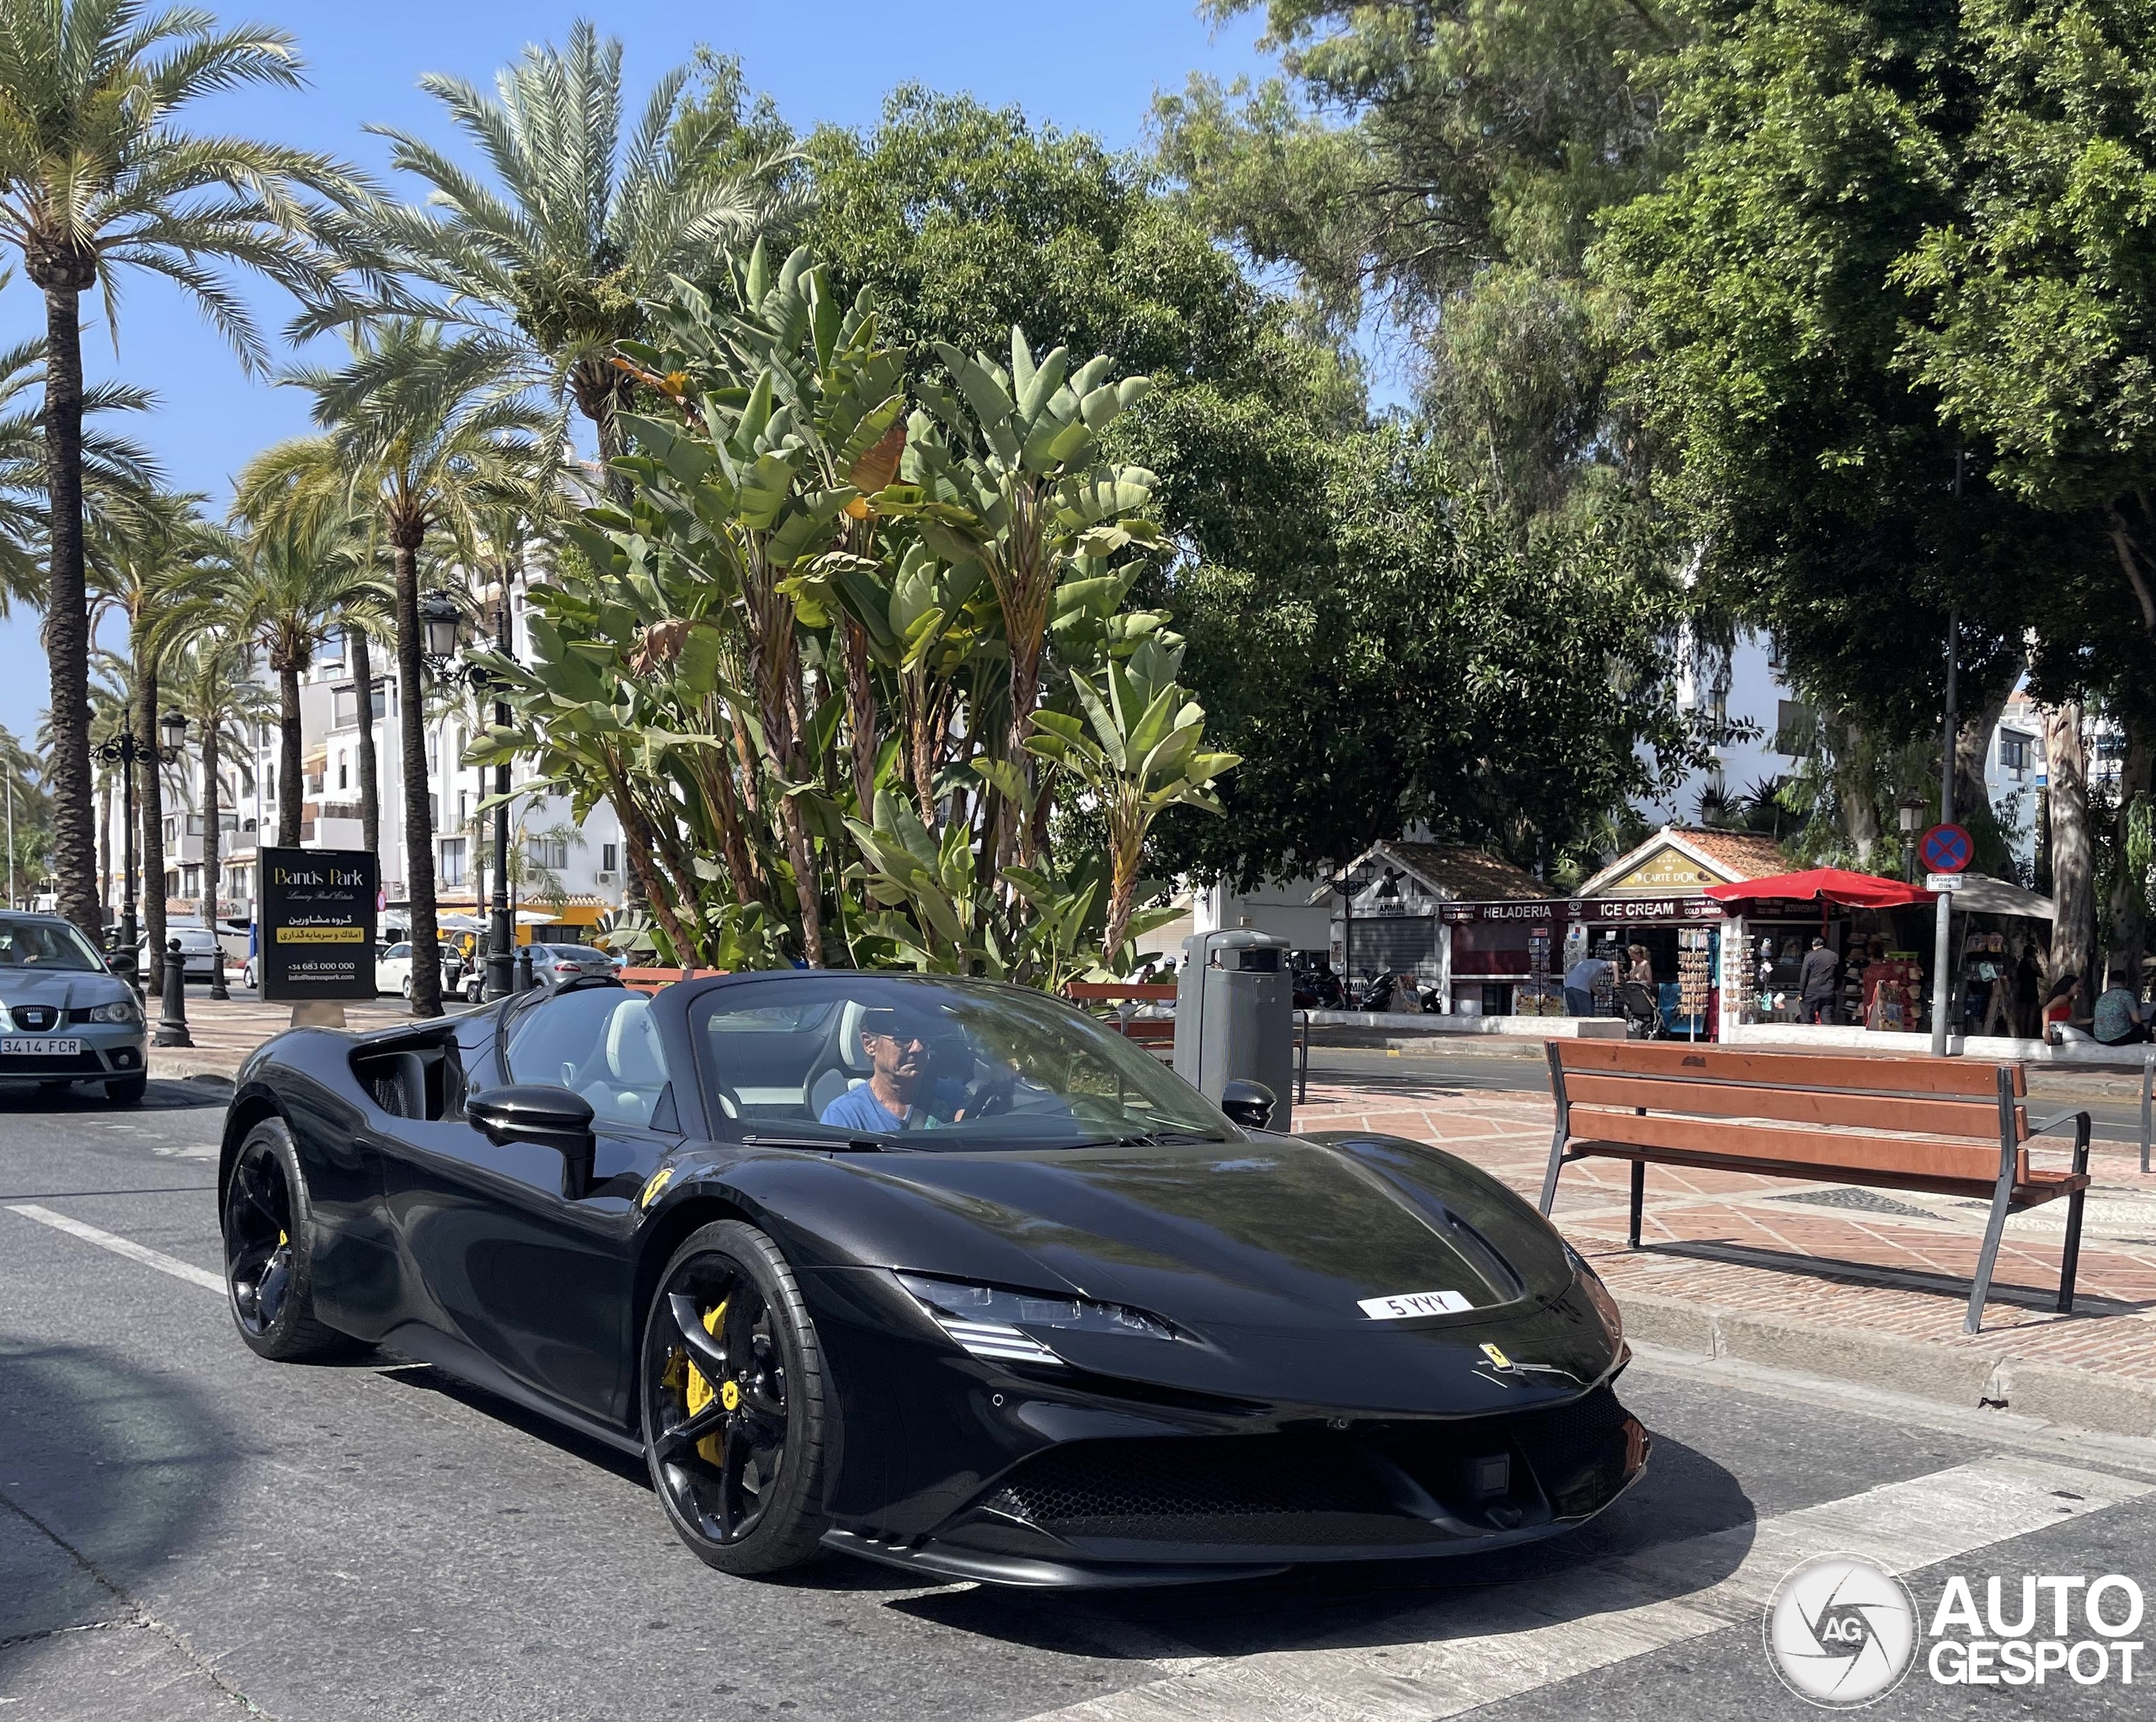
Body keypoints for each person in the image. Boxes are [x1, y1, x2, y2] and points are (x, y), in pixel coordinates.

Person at [819, 1006, 974, 1133]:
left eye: (924, 1039)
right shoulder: (844, 1117)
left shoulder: (952, 1096)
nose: (918, 1048)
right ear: (869, 1045)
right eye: (903, 1039)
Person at [2092, 967, 2151, 1047]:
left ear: (2109, 982)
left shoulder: (2102, 997)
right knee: (2144, 1031)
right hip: (2118, 1038)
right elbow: (2137, 1020)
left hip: (2100, 1038)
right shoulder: (2127, 996)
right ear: (2125, 983)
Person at [1797, 936, 1840, 1024]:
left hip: (1811, 991)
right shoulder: (1834, 956)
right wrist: (1835, 989)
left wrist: (1802, 993)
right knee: (1827, 1018)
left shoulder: (1809, 956)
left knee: (1807, 1020)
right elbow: (1839, 975)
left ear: (1813, 945)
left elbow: (1804, 976)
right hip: (1828, 991)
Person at [1564, 948, 1611, 1017]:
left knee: (1574, 1016)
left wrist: (1601, 995)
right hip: (1580, 989)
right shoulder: (1600, 963)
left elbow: (1592, 986)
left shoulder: (1587, 964)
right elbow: (1614, 964)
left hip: (1568, 987)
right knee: (1587, 1015)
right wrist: (1617, 980)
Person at [2013, 939, 2042, 1040]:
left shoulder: (2020, 963)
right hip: (2032, 989)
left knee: (2023, 1014)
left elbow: (2017, 976)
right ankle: (2029, 1034)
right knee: (2031, 1015)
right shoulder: (2032, 963)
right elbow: (2040, 974)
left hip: (2023, 989)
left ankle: (2022, 1033)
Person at [2041, 973, 2079, 1041]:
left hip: (2062, 1027)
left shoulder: (2069, 1001)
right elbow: (2045, 1010)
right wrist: (2046, 1031)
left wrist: (2093, 1020)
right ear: (2070, 986)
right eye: (2078, 986)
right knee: (2088, 1040)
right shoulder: (2062, 998)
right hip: (2056, 1028)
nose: (2080, 989)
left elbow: (2073, 1021)